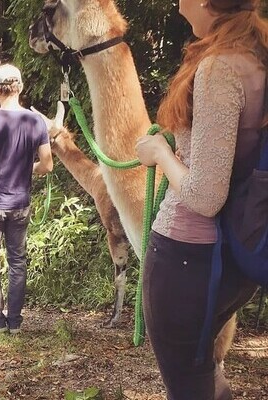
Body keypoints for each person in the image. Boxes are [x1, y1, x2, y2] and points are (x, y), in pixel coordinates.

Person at [134, 1, 265, 398]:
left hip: (187, 257)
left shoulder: (220, 67)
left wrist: (160, 153)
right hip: (232, 257)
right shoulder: (255, 56)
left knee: (188, 384)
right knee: (203, 371)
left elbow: (205, 196)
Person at [0, 63, 53, 334]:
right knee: (18, 260)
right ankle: (15, 321)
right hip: (20, 204)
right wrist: (28, 167)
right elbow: (47, 166)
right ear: (21, 87)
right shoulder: (35, 121)